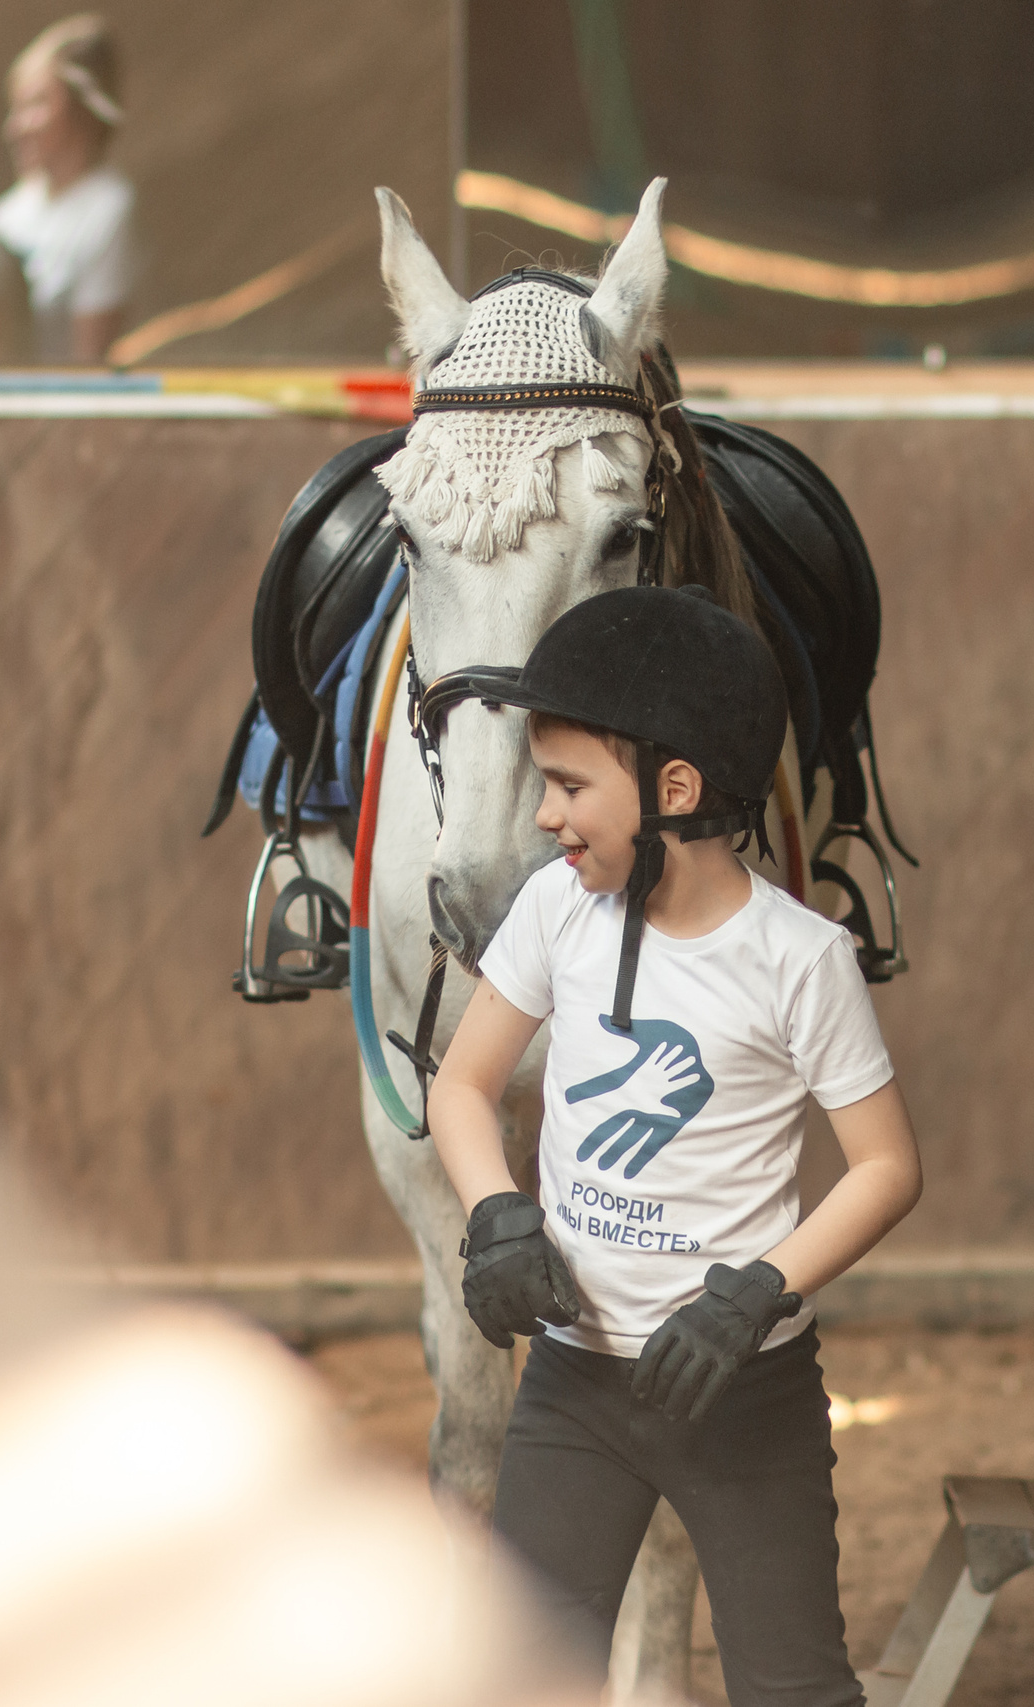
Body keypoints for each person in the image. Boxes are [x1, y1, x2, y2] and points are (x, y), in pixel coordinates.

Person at [428, 584, 921, 1707]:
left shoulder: (800, 958)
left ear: (677, 789)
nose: (545, 817)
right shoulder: (557, 909)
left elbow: (888, 1166)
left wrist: (756, 1293)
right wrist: (496, 1212)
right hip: (573, 1383)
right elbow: (462, 1084)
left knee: (791, 1686)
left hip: (741, 1387)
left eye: (568, 787)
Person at [0, 15, 137, 364]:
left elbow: (90, 364)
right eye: (16, 108)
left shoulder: (109, 210)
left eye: (35, 104)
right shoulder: (9, 212)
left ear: (81, 107)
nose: (15, 128)